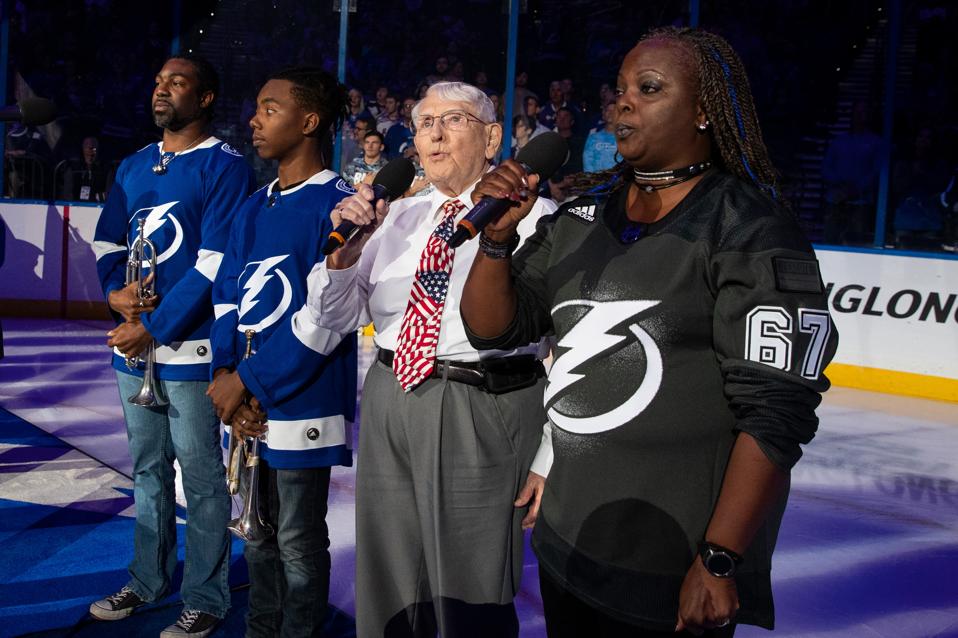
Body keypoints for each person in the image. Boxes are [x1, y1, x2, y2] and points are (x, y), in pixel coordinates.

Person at [460, 26, 838, 637]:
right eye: (621, 89)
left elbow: (776, 412)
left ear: (705, 112)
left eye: (649, 88)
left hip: (673, 564)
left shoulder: (748, 229)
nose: (623, 103)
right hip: (567, 545)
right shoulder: (583, 216)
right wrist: (496, 242)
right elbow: (492, 328)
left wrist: (719, 560)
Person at [306, 81, 556, 637]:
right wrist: (344, 255)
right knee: (389, 576)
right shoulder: (395, 217)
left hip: (483, 407)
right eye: (424, 123)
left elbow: (569, 345)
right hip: (393, 393)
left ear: (492, 138)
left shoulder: (539, 217)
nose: (436, 134)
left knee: (470, 589)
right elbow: (335, 316)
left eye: (455, 120)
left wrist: (550, 453)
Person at [90, 54, 255, 637]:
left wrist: (153, 327)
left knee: (203, 477)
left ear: (206, 97)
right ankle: (147, 579)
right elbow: (108, 240)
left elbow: (215, 262)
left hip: (186, 349)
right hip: (133, 349)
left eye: (176, 82)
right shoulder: (134, 164)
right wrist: (115, 296)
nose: (162, 90)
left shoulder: (226, 166)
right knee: (148, 472)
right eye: (158, 81)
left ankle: (207, 597)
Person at [206, 66, 358, 638]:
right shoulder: (251, 205)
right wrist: (225, 372)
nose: (255, 119)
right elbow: (226, 300)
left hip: (302, 398)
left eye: (271, 108)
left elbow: (327, 319)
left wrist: (247, 381)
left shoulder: (341, 207)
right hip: (243, 397)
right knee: (259, 532)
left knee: (297, 538)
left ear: (310, 120)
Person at [582, 101, 618, 172]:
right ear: (603, 114)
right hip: (597, 181)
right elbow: (587, 163)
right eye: (608, 110)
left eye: (614, 111)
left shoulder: (626, 139)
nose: (611, 113)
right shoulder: (593, 138)